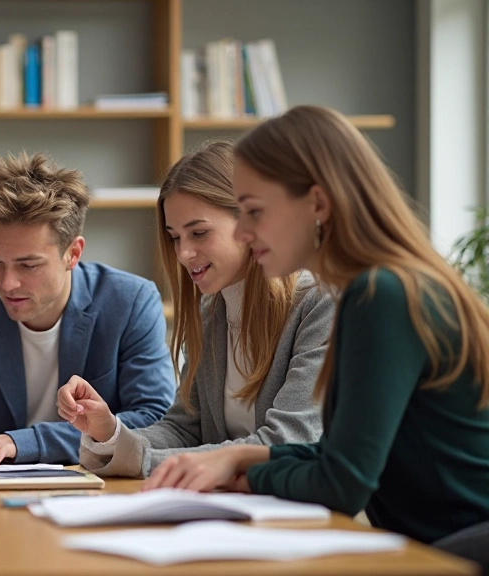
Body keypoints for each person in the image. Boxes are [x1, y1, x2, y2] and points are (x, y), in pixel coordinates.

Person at [141, 105, 489, 549]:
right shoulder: (377, 287)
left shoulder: (380, 294)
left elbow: (342, 483)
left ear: (318, 204)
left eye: (254, 211)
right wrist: (242, 455)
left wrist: (243, 475)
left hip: (455, 550)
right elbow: (340, 457)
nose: (244, 233)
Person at [58, 141, 333, 477]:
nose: (184, 253)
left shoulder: (320, 304)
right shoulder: (212, 309)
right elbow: (186, 429)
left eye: (199, 233)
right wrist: (109, 433)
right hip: (227, 511)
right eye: (175, 237)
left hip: (299, 517)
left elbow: (288, 443)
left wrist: (144, 460)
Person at [0, 152, 175, 465]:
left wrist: (23, 443)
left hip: (97, 491)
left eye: (28, 265)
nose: (7, 283)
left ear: (72, 254)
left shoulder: (130, 303)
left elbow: (154, 421)